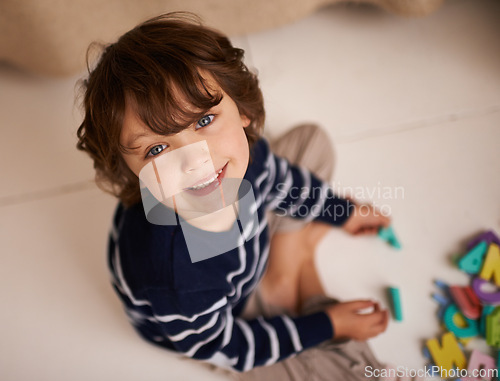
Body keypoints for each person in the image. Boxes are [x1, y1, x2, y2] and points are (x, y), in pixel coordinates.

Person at [76, 12, 390, 380]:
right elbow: (226, 347)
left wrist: (342, 212)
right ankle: (290, 270)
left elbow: (281, 180)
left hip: (246, 255)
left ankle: (284, 267)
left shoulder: (247, 160)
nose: (196, 162)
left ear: (242, 109)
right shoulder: (176, 279)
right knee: (348, 371)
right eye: (157, 149)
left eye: (204, 121)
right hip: (226, 316)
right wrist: (328, 325)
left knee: (310, 142)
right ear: (127, 168)